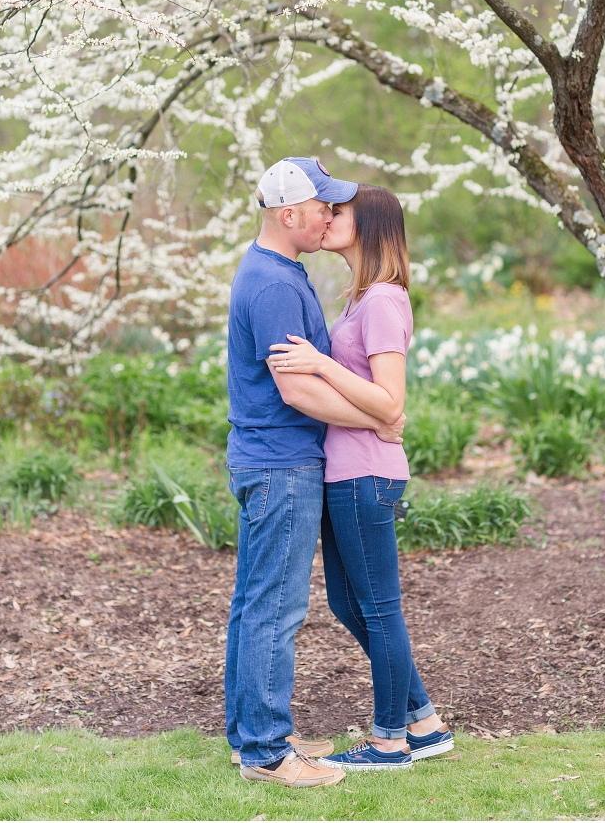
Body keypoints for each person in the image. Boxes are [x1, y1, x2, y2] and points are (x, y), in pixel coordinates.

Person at [225, 158, 406, 788]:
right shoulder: (275, 285)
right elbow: (297, 391)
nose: (330, 215)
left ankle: (250, 735)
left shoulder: (280, 272)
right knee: (275, 609)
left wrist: (368, 416)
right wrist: (375, 423)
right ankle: (269, 754)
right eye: (323, 206)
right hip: (283, 462)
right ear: (289, 214)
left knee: (255, 604)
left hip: (271, 461)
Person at [269, 184, 453, 772]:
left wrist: (320, 364)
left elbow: (389, 400)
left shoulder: (381, 302)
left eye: (339, 213)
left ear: (368, 228)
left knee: (377, 608)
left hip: (365, 475)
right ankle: (423, 722)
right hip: (346, 473)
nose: (326, 219)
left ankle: (389, 742)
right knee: (353, 605)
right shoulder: (359, 299)